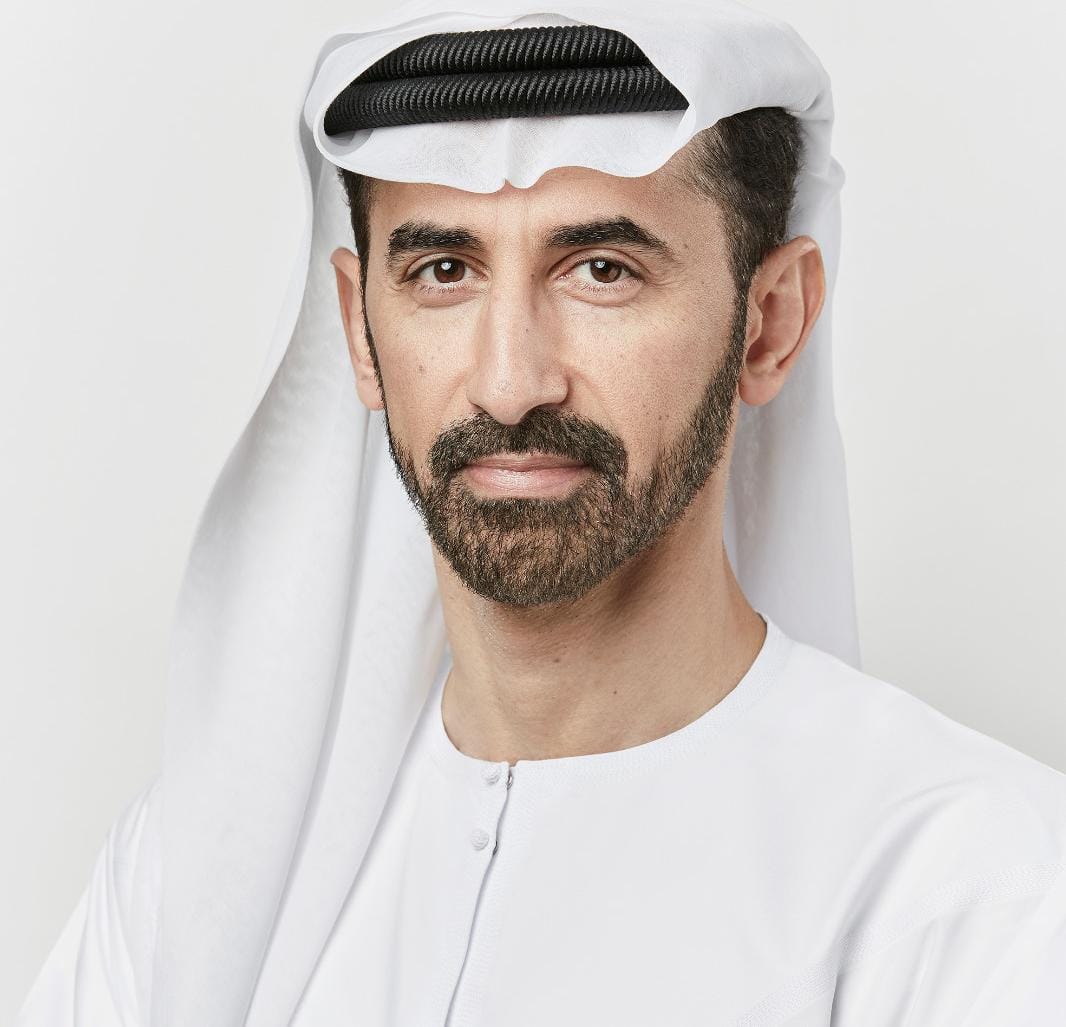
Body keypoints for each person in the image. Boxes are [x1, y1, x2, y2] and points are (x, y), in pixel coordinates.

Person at [16, 1, 1066, 1024]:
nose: (511, 383)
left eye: (601, 271)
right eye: (443, 271)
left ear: (770, 324)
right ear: (359, 330)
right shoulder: (189, 875)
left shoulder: (979, 896)